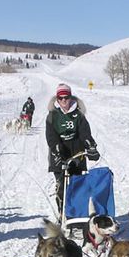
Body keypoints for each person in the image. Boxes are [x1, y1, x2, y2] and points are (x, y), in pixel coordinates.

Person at [45, 83, 100, 214]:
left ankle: (76, 216)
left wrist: (90, 145)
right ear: (57, 99)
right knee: (62, 188)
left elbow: (85, 133)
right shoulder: (52, 116)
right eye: (60, 98)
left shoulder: (79, 115)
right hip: (59, 156)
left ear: (71, 97)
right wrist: (57, 151)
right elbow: (51, 137)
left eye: (66, 97)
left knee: (77, 187)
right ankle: (63, 215)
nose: (64, 100)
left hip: (77, 154)